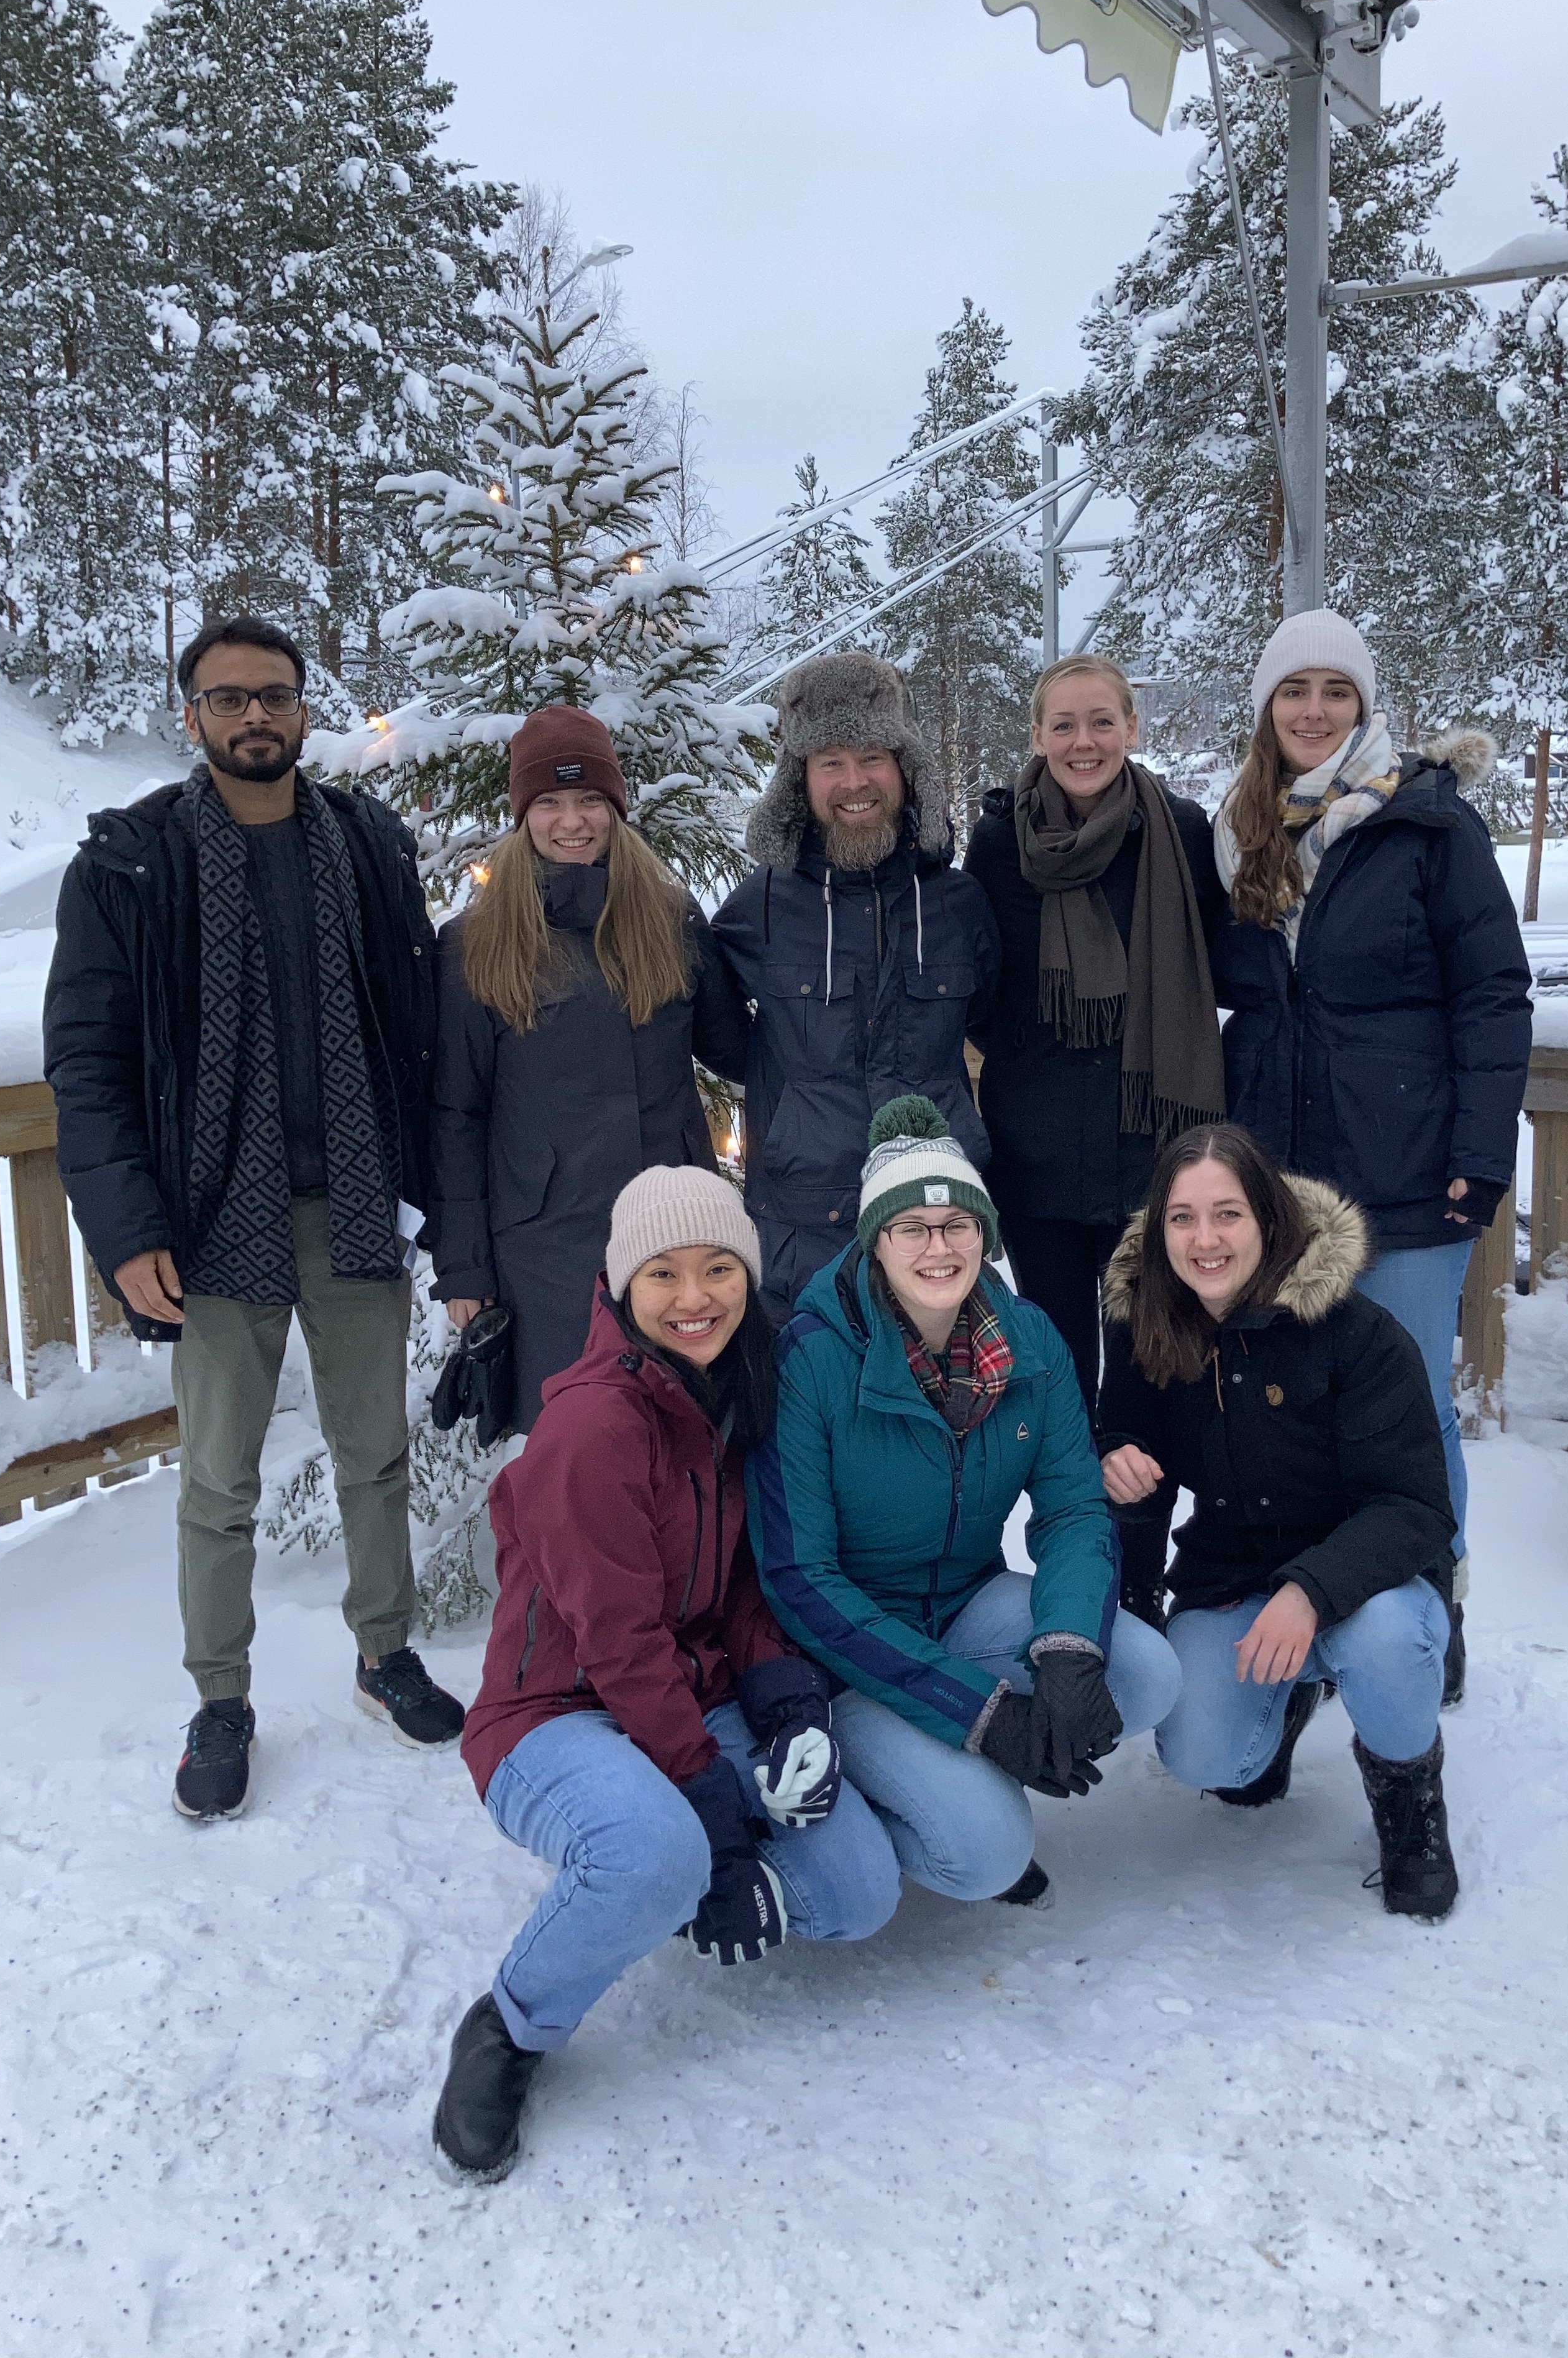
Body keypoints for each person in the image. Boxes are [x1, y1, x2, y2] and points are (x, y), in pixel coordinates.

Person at [43, 614, 462, 1823]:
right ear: (192, 717)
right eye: (228, 699)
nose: (253, 717)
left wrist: (441, 1196)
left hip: (355, 1206)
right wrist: (126, 1232)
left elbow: (414, 1023)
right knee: (218, 1479)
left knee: (373, 1454)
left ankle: (386, 1656)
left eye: (272, 696)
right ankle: (221, 1696)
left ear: (303, 711)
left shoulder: (366, 844)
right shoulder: (134, 864)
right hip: (213, 1218)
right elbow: (88, 1059)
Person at [435, 1166, 900, 2178]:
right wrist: (710, 1819)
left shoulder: (731, 1388)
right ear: (620, 1285)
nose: (694, 1296)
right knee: (660, 1850)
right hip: (551, 1717)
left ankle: (676, 1885)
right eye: (664, 1274)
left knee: (860, 1887)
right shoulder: (592, 1428)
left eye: (716, 1268)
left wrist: (781, 1708)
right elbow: (617, 1638)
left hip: (689, 1694)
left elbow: (744, 1588)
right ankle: (510, 2024)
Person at [1208, 609, 1531, 1699]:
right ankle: (1316, 1602)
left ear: (1362, 705)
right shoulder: (1240, 831)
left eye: (1332, 691)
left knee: (1409, 1405)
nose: (1310, 710)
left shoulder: (1428, 824)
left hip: (1403, 1171)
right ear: (1265, 709)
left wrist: (1478, 1156)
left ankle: (1426, 1610)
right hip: (1279, 1177)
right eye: (1290, 691)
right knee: (1295, 1401)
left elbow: (1491, 996)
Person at [749, 1097, 1183, 1908]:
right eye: (910, 1226)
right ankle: (890, 1800)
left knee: (1143, 1670)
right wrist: (986, 1717)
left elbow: (1073, 1512)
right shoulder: (812, 1359)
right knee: (985, 1855)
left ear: (985, 1233)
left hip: (963, 1600)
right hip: (845, 1660)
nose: (937, 1246)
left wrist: (1066, 1657)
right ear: (876, 1242)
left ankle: (949, 1760)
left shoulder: (1029, 1341)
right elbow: (800, 1579)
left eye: (957, 1223)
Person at [1096, 1123, 1460, 1919]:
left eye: (1227, 1214)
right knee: (1202, 1756)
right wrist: (1119, 1461)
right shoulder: (1146, 1320)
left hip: (1373, 1583)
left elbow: (1416, 1506)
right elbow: (1130, 1444)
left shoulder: (1357, 1334)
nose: (1206, 1239)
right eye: (1182, 1218)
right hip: (1234, 1575)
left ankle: (1409, 1803)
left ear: (1267, 1218)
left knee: (1386, 1643)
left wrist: (1311, 1591)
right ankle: (1285, 1704)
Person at [965, 654, 1223, 1625]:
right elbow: (982, 985)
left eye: (1101, 722)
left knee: (1148, 1373)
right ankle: (1080, 1577)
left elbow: (1221, 962)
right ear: (1036, 736)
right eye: (1064, 725)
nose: (1084, 742)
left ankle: (1140, 1578)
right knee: (1059, 1381)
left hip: (1154, 1155)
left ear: (1131, 728)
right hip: (1037, 1159)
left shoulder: (1181, 834)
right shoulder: (997, 846)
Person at [429, 705, 750, 1437]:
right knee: (572, 1449)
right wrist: (465, 1268)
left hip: (671, 1232)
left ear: (616, 810)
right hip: (543, 1244)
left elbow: (739, 1051)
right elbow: (456, 1115)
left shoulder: (671, 921)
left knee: (687, 1433)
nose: (571, 822)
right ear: (522, 815)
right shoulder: (475, 944)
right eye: (548, 802)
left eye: (589, 802)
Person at [713, 652, 1000, 1323]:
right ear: (800, 780)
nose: (854, 782)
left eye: (873, 757)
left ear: (905, 768)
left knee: (940, 1416)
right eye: (829, 762)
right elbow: (724, 1039)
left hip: (937, 1216)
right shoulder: (759, 906)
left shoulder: (958, 903)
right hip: (802, 1226)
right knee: (810, 1419)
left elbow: (988, 1017)